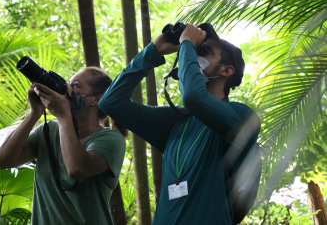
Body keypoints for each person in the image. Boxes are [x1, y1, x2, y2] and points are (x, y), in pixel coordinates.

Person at [99, 23, 261, 224]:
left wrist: (187, 43)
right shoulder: (176, 121)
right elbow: (111, 102)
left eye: (205, 51)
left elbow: (193, 97)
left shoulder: (242, 117)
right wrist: (154, 51)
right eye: (196, 50)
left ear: (226, 70)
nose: (195, 54)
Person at [0, 66, 126, 225]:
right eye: (68, 83)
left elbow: (77, 168)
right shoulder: (48, 130)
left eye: (75, 85)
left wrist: (63, 115)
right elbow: (2, 161)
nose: (67, 89)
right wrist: (34, 113)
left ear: (96, 99)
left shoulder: (111, 139)